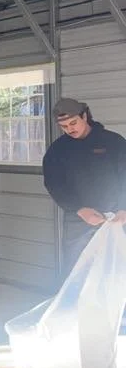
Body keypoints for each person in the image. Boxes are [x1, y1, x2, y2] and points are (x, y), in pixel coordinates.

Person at [42, 97, 126, 278]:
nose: (70, 129)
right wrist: (78, 209)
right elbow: (54, 184)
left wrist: (123, 207)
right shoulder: (58, 150)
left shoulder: (114, 142)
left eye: (73, 123)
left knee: (116, 270)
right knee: (76, 269)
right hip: (79, 219)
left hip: (117, 217)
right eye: (64, 126)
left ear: (85, 116)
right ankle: (76, 306)